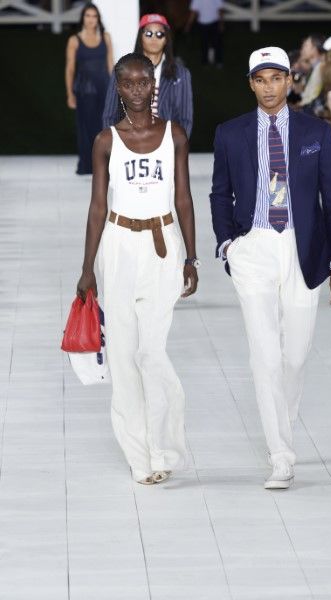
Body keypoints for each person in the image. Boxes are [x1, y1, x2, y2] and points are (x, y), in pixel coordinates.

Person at [210, 47, 331, 490]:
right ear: (250, 84)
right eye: (260, 79)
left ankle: (281, 428)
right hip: (253, 246)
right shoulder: (230, 133)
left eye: (276, 78)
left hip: (301, 246)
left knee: (295, 355)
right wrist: (229, 245)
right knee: (265, 354)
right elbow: (220, 193)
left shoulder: (316, 131)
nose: (268, 87)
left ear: (290, 80)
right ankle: (280, 455)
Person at [76, 53, 199, 485]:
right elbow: (97, 206)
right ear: (118, 88)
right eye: (127, 84)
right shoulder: (105, 141)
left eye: (143, 82)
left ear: (153, 85)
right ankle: (139, 455)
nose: (136, 90)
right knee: (123, 352)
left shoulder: (174, 134)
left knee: (152, 351)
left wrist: (192, 257)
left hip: (163, 245)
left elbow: (183, 198)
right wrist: (87, 268)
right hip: (119, 245)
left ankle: (163, 447)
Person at [102, 14, 193, 138]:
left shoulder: (181, 74)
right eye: (149, 33)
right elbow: (109, 115)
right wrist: (114, 144)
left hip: (165, 142)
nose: (154, 38)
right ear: (140, 37)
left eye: (159, 34)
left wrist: (176, 146)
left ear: (166, 39)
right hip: (128, 141)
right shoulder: (122, 70)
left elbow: (186, 119)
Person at [65, 2, 113, 174]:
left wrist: (115, 89)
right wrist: (70, 94)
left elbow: (110, 65)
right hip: (85, 89)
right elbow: (70, 69)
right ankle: (87, 165)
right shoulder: (74, 40)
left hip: (104, 87)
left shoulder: (105, 37)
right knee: (86, 127)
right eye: (88, 15)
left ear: (98, 19)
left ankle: (104, 165)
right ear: (82, 18)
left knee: (104, 126)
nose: (91, 19)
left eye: (94, 16)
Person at [185, 0, 224, 68]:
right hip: (202, 24)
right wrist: (189, 25)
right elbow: (193, 12)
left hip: (214, 22)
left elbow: (220, 9)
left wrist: (221, 23)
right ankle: (205, 60)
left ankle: (218, 61)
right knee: (204, 43)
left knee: (217, 42)